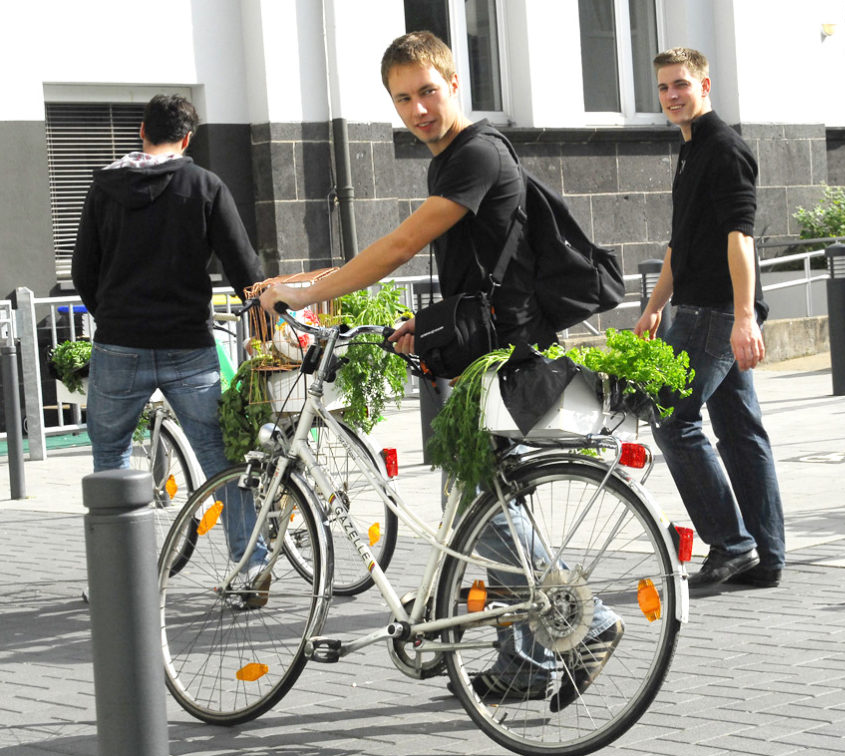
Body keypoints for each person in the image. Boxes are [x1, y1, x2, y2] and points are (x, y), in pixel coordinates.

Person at [258, 31, 621, 709]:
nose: (418, 108)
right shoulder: (457, 158)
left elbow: (401, 243)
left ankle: (588, 622)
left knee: (485, 508)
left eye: (428, 90)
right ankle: (521, 662)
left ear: (455, 83)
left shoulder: (475, 153)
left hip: (501, 357)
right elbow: (474, 266)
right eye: (403, 98)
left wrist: (308, 294)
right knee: (475, 502)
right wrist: (413, 324)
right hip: (486, 345)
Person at [72, 94, 270, 604]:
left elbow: (82, 272)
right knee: (221, 459)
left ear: (142, 131)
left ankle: (115, 580)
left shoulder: (103, 186)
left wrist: (114, 316)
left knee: (110, 456)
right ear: (187, 140)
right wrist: (266, 314)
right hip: (189, 345)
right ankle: (250, 568)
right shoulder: (204, 186)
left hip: (119, 345)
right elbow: (244, 268)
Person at [634, 47, 785, 589]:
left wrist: (745, 317)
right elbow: (681, 243)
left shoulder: (723, 149)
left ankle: (731, 543)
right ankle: (765, 556)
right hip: (697, 307)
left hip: (714, 313)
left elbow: (739, 238)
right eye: (663, 88)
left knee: (672, 419)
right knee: (741, 432)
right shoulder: (691, 149)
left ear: (705, 85)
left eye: (681, 85)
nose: (672, 96)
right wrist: (653, 306)